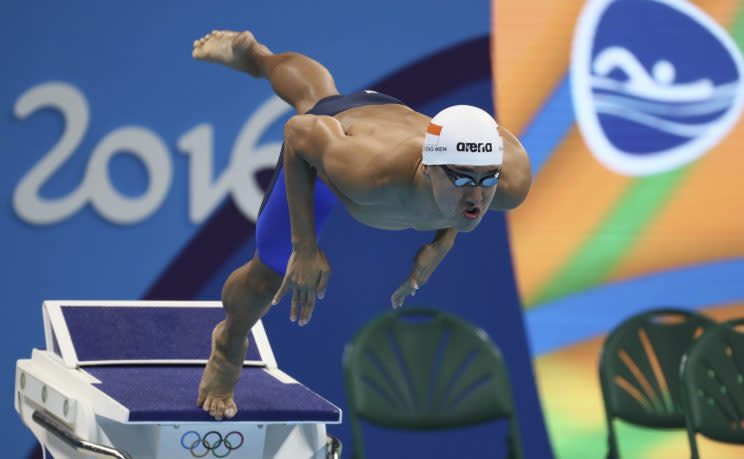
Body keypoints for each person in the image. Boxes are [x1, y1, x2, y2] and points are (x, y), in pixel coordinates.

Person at [192, 30, 531, 420]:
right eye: (462, 179)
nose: (478, 196)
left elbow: (474, 167)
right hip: (334, 143)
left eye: (487, 179)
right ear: (430, 166)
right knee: (270, 271)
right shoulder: (370, 172)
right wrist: (304, 248)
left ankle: (255, 53)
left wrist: (444, 239)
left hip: (392, 119)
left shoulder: (507, 181)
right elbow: (299, 132)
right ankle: (228, 342)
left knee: (319, 90)